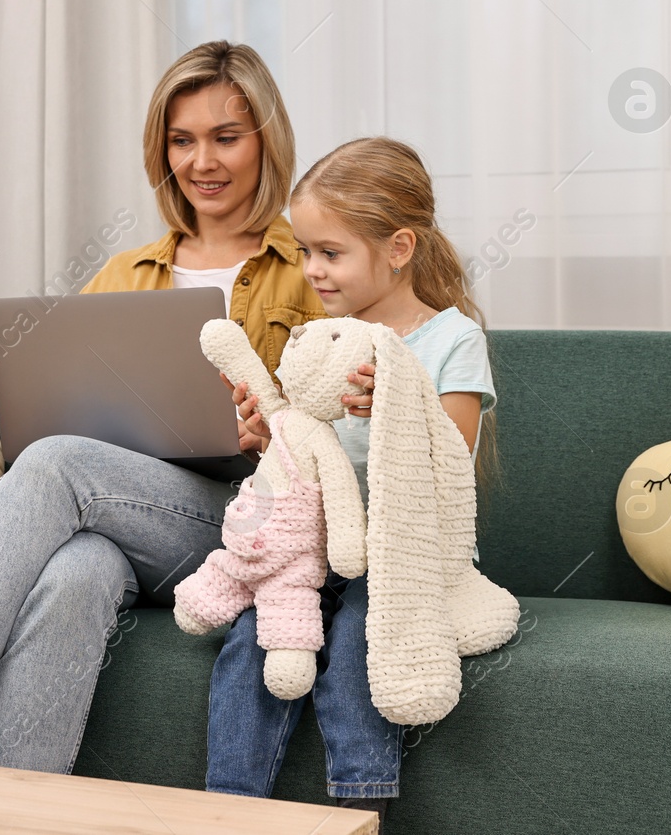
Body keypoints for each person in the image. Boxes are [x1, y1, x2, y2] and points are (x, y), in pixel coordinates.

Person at [0, 40, 342, 770]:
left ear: (265, 141)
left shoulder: (311, 265)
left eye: (225, 137)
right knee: (74, 572)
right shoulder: (125, 272)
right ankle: (13, 813)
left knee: (54, 463)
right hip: (128, 519)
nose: (202, 161)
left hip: (245, 523)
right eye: (182, 140)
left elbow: (348, 422)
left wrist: (269, 428)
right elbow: (66, 413)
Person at [206, 136, 498, 824]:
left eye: (330, 253)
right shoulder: (325, 339)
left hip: (405, 560)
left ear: (398, 248)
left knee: (366, 642)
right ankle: (226, 810)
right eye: (306, 251)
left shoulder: (453, 339)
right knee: (250, 642)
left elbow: (450, 463)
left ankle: (358, 811)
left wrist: (397, 405)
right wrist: (264, 438)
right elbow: (306, 458)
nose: (312, 270)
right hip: (320, 551)